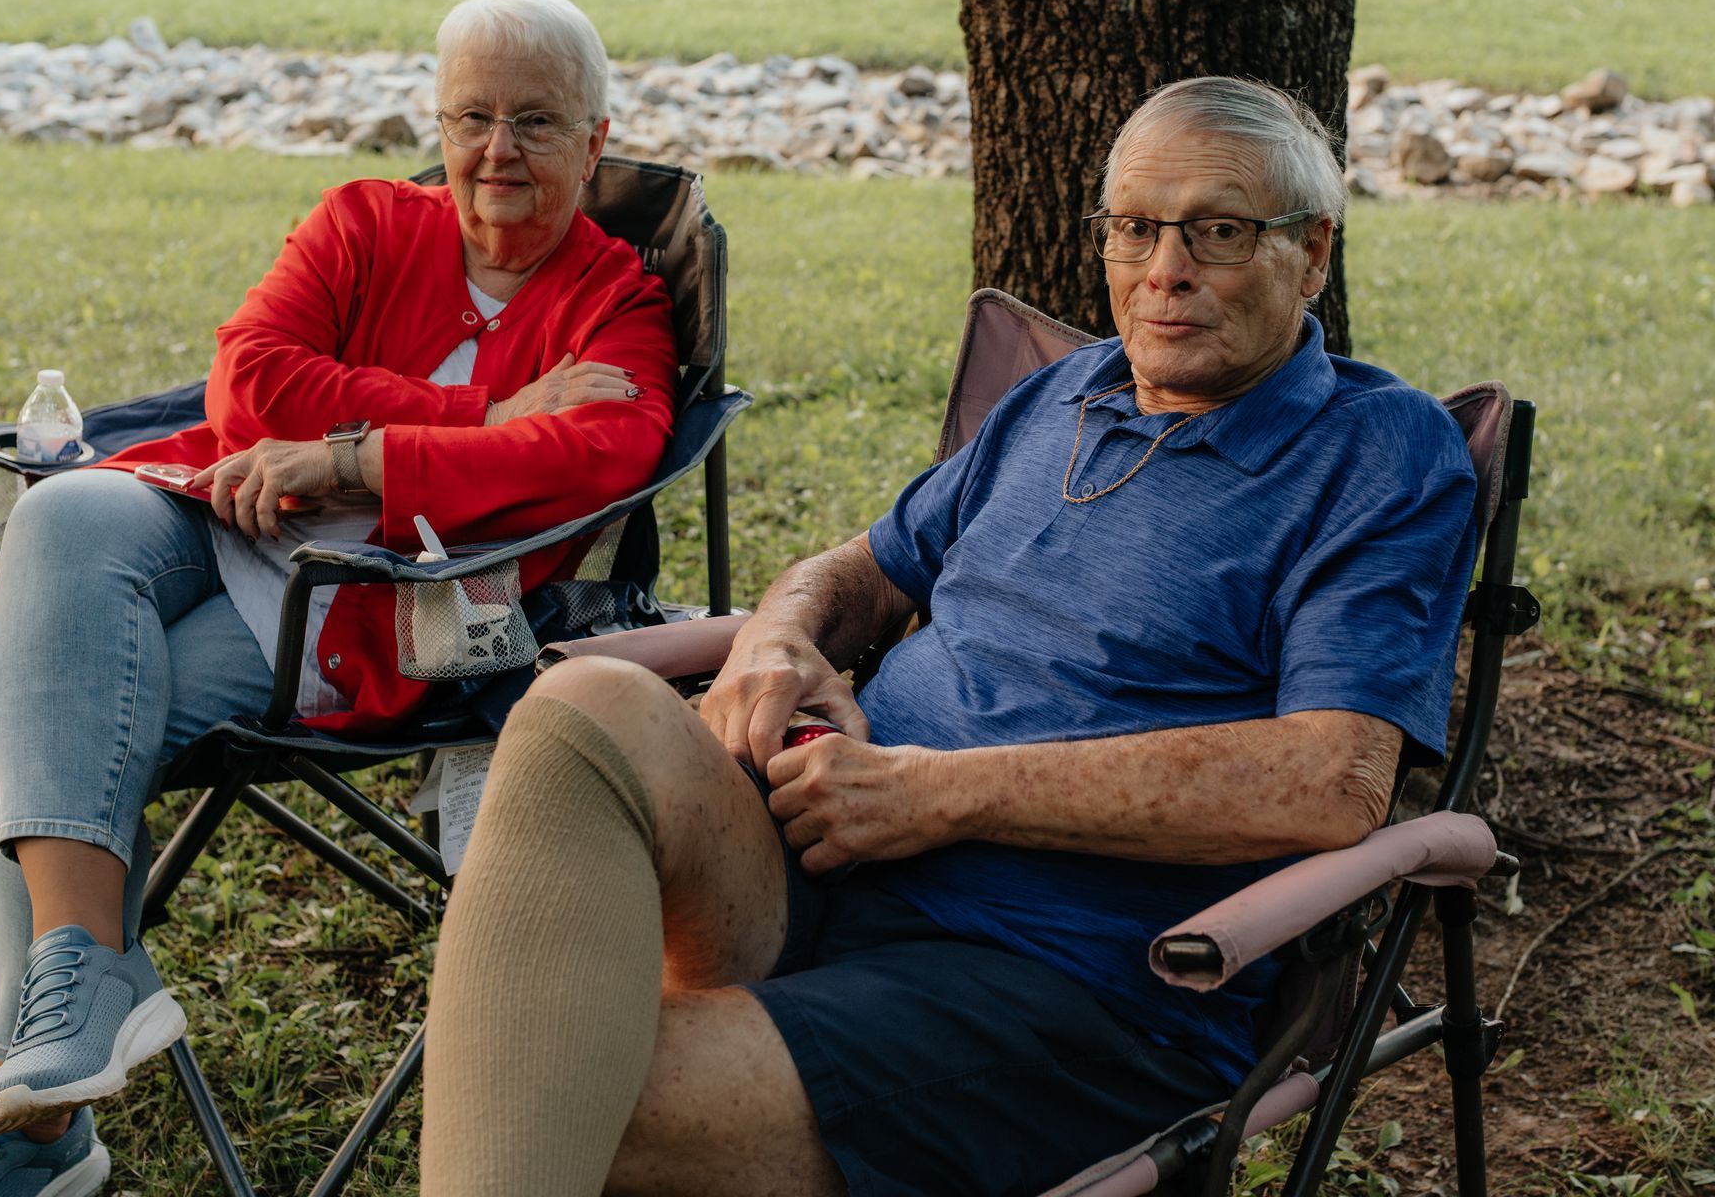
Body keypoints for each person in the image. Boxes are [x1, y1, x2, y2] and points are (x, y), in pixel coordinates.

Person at [419, 76, 1481, 1197]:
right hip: (828, 860)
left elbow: (1331, 782)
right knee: (583, 712)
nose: (1164, 271)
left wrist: (939, 793)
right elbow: (863, 570)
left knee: (564, 1091)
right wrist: (780, 639)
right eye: (1133, 228)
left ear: (1311, 252)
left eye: (1218, 231)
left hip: (1063, 983)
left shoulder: (1378, 452)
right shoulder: (1068, 392)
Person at [0, 0, 677, 1197]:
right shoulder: (368, 219)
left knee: (36, 734)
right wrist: (469, 420)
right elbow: (250, 384)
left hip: (364, 611)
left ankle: (38, 1125)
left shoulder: (616, 300)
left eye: (536, 120)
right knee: (61, 510)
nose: (497, 150)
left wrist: (351, 454)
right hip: (212, 510)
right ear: (438, 122)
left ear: (595, 137)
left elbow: (599, 450)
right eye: (470, 116)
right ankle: (79, 982)